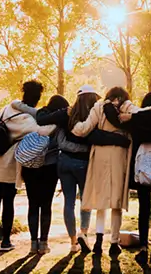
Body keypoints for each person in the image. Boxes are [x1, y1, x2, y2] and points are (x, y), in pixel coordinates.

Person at [72, 87, 151, 257]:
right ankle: (113, 242)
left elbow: (83, 129)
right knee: (116, 202)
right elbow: (143, 113)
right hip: (119, 156)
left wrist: (72, 122)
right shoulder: (127, 106)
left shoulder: (98, 106)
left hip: (100, 155)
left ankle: (98, 241)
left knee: (101, 201)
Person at [36, 85, 130, 254]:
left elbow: (42, 119)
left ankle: (73, 242)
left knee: (69, 202)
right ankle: (84, 233)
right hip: (84, 163)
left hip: (63, 160)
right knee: (85, 200)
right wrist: (119, 139)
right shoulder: (95, 113)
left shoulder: (69, 113)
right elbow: (96, 136)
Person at [0, 81, 56, 251]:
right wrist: (58, 120)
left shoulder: (7, 108)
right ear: (37, 97)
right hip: (9, 163)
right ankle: (6, 241)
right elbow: (44, 131)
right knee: (8, 200)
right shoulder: (27, 119)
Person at [107, 92, 151, 266]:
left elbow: (120, 124)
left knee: (144, 210)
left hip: (143, 171)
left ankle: (144, 248)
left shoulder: (136, 121)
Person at [20, 94, 69, 255]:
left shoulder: (36, 117)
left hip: (30, 166)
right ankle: (44, 243)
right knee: (45, 205)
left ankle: (33, 244)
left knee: (33, 204)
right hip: (50, 167)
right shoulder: (59, 122)